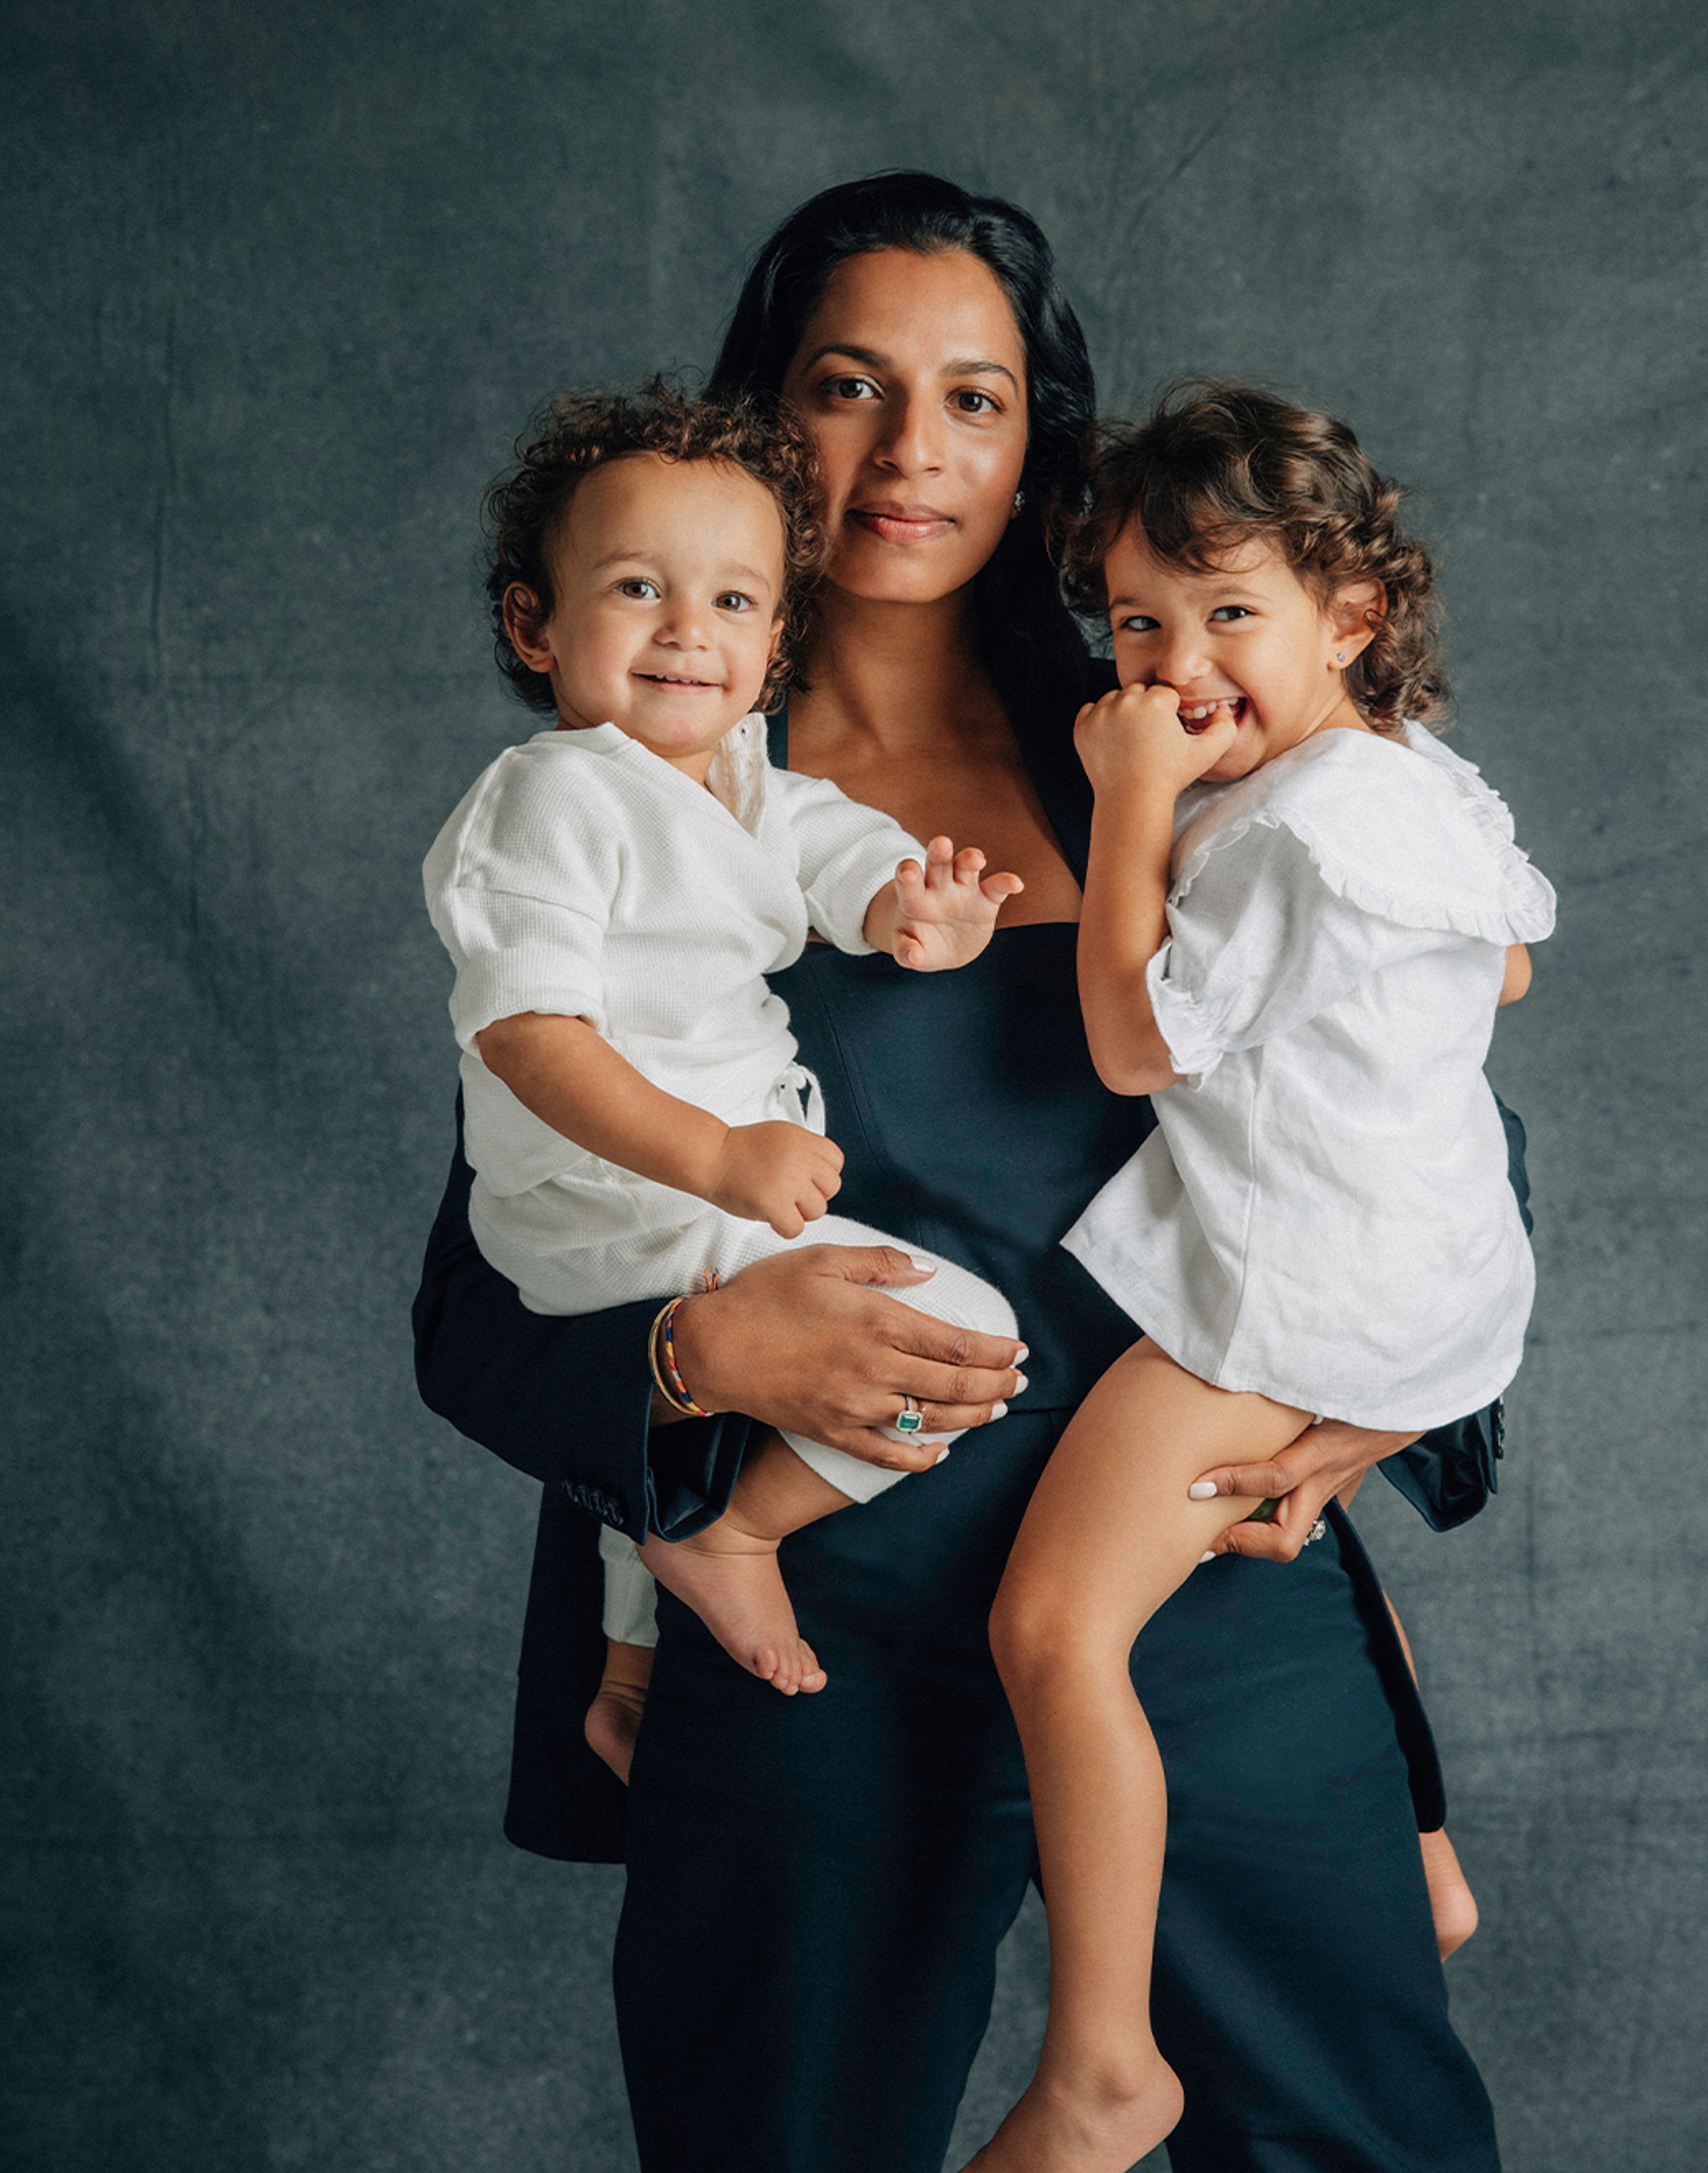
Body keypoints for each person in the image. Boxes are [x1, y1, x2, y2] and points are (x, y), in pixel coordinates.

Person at [413, 171, 1514, 2172]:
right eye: (847, 386)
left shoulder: (1189, 751)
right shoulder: (641, 809)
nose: (911, 450)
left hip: (1196, 1596)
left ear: (1043, 457)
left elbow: (1422, 1130)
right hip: (821, 1631)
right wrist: (692, 1371)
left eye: (976, 401)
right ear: (767, 427)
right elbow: (484, 1303)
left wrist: (1373, 1423)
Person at [968, 383, 1554, 2172]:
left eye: (1229, 615)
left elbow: (1135, 1046)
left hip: (1305, 1278)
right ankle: (1416, 1862)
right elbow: (1507, 972)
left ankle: (1103, 2065)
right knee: (1265, 1551)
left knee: (1054, 1628)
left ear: (1347, 617)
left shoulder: (1283, 826)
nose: (1174, 661)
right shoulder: (1394, 780)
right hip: (1426, 1269)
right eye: (1137, 622)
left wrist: (1131, 800)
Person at [422, 382, 1021, 1766]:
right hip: (616, 1193)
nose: (692, 630)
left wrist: (912, 911)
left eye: (736, 602)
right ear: (535, 624)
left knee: (760, 1393)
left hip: (690, 1193)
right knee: (961, 1330)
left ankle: (630, 1665)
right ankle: (733, 1531)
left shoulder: (741, 777)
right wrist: (715, 1157)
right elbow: (525, 1035)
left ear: (774, 636)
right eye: (638, 588)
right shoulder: (555, 795)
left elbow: (839, 849)